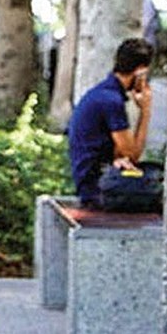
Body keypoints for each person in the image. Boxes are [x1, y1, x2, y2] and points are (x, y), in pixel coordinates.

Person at [67, 38, 154, 208]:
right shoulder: (111, 101)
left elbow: (122, 154)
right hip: (96, 189)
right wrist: (146, 110)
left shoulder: (102, 93)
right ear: (140, 72)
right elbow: (133, 154)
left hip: (96, 179)